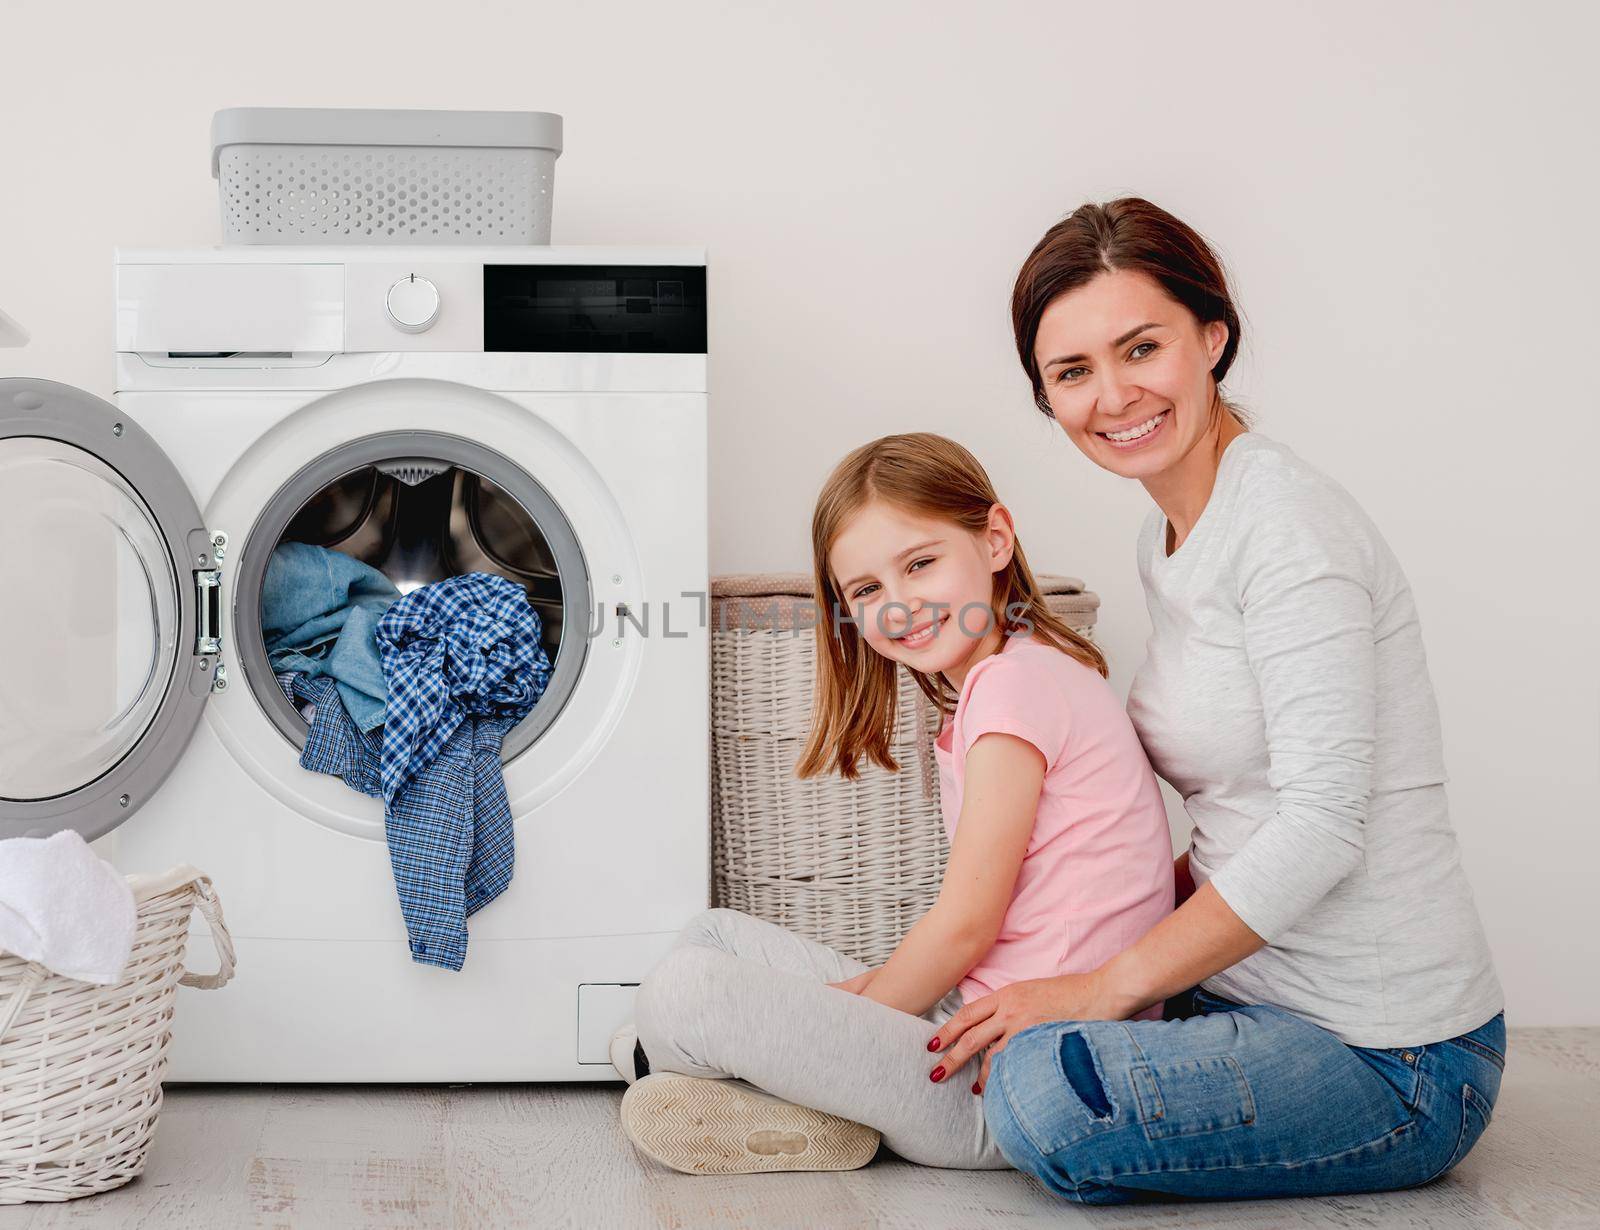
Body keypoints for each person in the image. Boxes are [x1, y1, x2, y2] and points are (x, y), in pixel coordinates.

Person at [927, 197, 1505, 1203]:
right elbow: (1235, 809)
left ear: (1211, 336)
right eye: (1072, 373)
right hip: (1235, 993)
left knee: (1040, 1094)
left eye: (1139, 347)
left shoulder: (1286, 532)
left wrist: (1104, 985)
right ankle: (824, 1086)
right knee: (993, 1010)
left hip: (1389, 1055)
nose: (1113, 396)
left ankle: (877, 1102)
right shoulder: (1170, 535)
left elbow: (1322, 827)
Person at [614, 432, 1174, 1175]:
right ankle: (794, 1099)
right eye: (868, 590)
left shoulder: (1014, 686)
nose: (900, 604)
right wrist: (839, 1017)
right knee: (711, 935)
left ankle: (751, 1081)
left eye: (920, 563)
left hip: (992, 1075)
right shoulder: (1015, 671)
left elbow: (967, 923)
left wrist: (845, 1019)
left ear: (996, 539)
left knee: (685, 992)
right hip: (967, 1022)